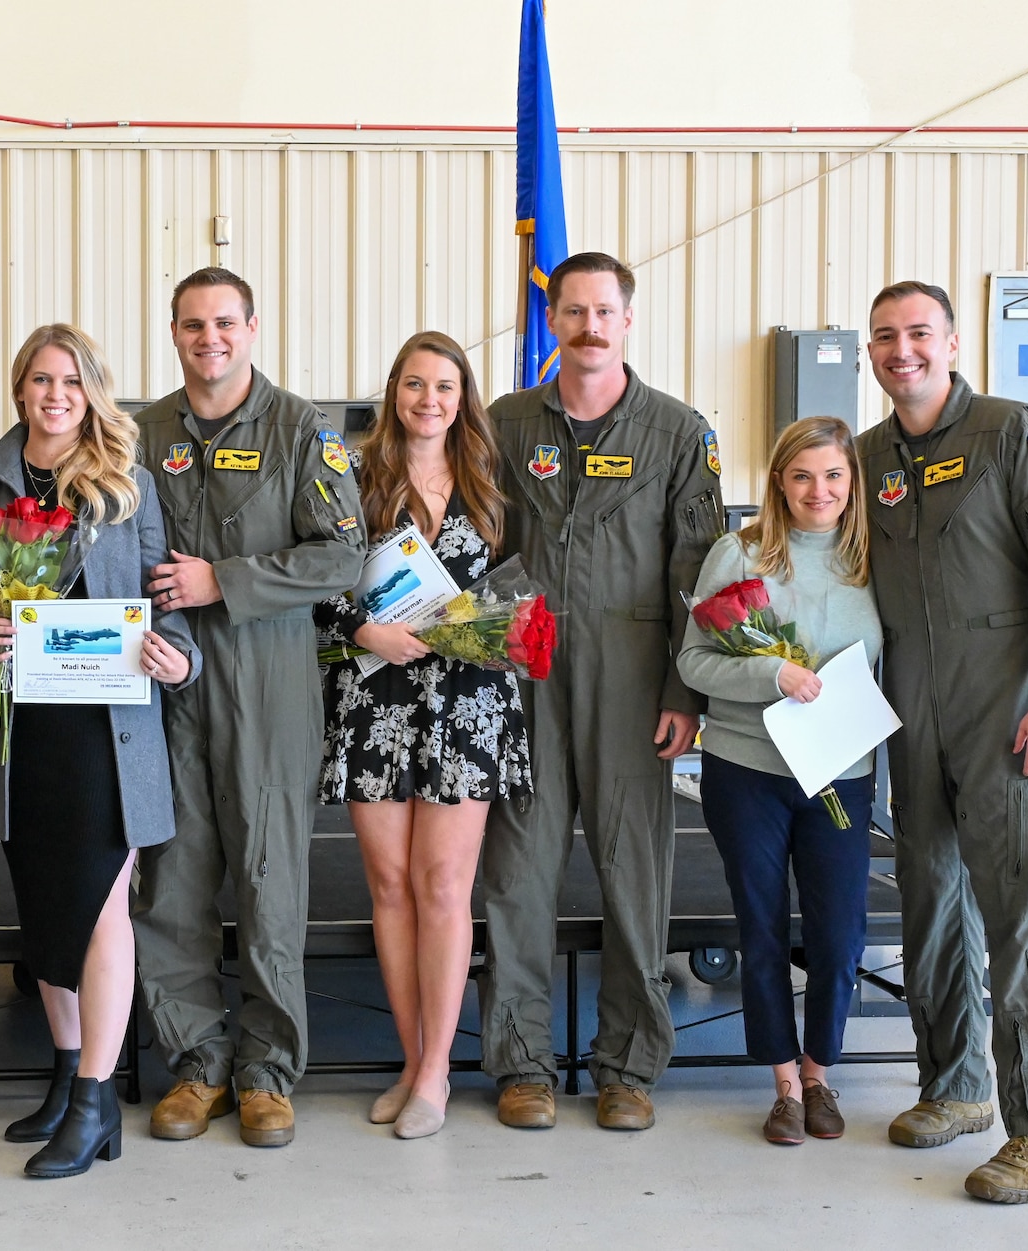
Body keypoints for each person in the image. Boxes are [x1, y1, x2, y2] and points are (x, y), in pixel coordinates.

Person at [856, 280, 1028, 1204]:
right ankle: (956, 1084)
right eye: (885, 336)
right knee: (933, 904)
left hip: (1008, 709)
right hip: (912, 711)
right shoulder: (870, 454)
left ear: (953, 342)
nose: (901, 350)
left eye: (919, 333)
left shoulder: (1012, 432)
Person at [479, 251, 725, 1131]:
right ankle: (521, 1063)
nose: (587, 327)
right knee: (517, 874)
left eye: (603, 312)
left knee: (634, 874)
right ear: (553, 321)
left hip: (634, 677)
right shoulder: (504, 424)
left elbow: (696, 574)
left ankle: (629, 1067)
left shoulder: (678, 432)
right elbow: (474, 541)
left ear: (628, 321)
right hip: (526, 675)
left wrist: (683, 691)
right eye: (571, 311)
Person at [131, 267, 366, 1147]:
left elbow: (343, 554)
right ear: (175, 332)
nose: (209, 339)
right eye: (193, 325)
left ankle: (267, 1072)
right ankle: (197, 1064)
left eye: (224, 323)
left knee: (270, 885)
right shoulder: (144, 431)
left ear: (253, 328)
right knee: (175, 883)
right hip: (165, 686)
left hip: (268, 685)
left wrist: (220, 581)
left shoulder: (303, 430)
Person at [0, 324, 200, 1178]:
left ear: (92, 389)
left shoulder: (129, 487)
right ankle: (66, 1076)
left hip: (109, 730)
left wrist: (181, 657)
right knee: (45, 906)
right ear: (20, 388)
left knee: (102, 907)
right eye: (39, 378)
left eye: (70, 379)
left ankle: (99, 1099)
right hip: (24, 728)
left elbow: (164, 605)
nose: (54, 393)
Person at [315, 331, 532, 1140]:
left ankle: (438, 1070)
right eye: (414, 384)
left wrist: (490, 627)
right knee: (390, 886)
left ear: (463, 394)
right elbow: (314, 582)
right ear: (394, 391)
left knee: (444, 885)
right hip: (375, 698)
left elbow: (525, 587)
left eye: (445, 385)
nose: (428, 400)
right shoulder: (354, 478)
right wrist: (362, 630)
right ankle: (411, 1061)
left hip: (467, 704)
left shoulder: (492, 483)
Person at [677, 416, 881, 1146]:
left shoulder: (873, 559)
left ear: (851, 481)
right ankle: (785, 1085)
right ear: (778, 482)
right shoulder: (739, 555)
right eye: (801, 476)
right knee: (761, 927)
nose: (817, 490)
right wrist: (772, 671)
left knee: (839, 933)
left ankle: (822, 1067)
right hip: (749, 771)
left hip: (840, 774)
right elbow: (694, 663)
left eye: (832, 475)